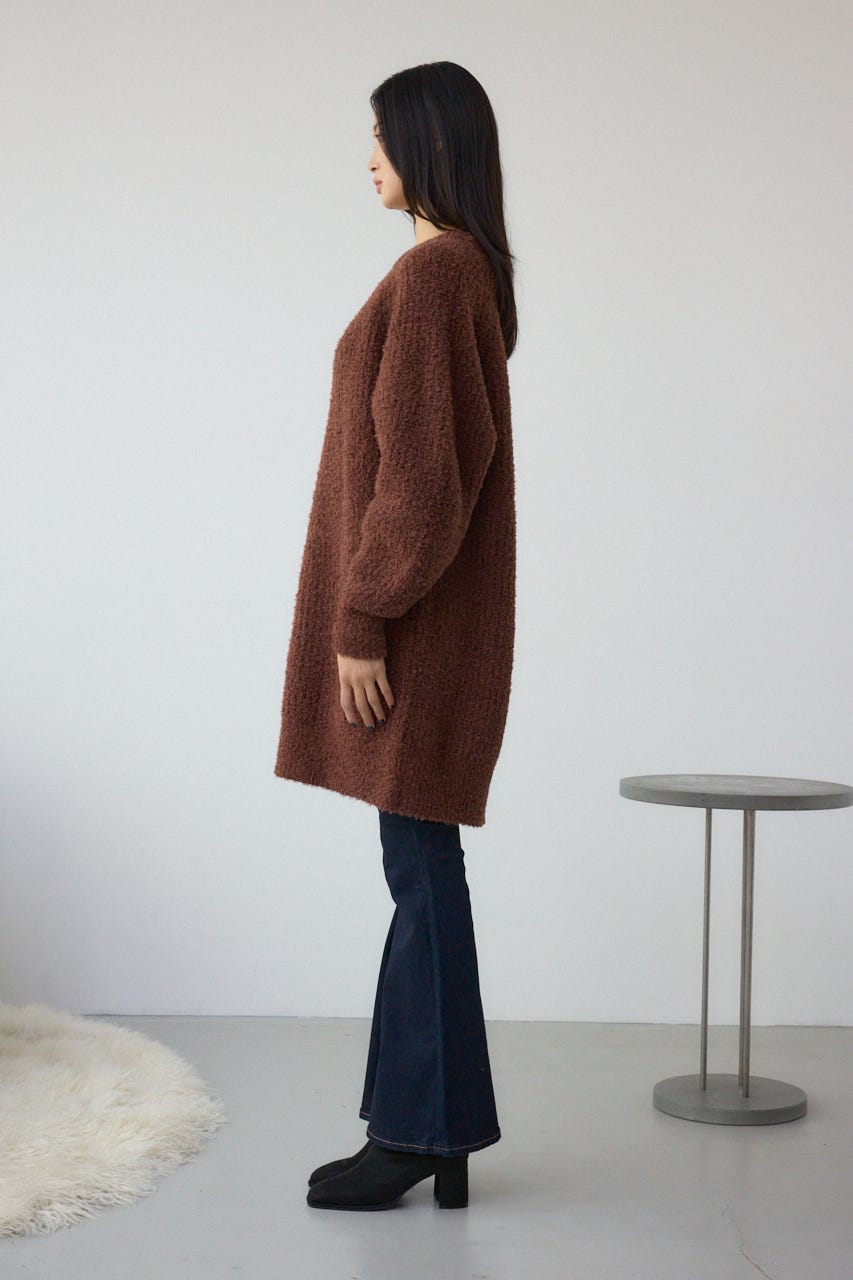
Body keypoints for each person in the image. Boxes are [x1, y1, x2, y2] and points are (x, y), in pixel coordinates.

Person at [273, 60, 518, 1211]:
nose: (366, 157)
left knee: (420, 876)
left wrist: (362, 616)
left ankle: (420, 1131)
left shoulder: (431, 277)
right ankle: (428, 1127)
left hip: (412, 631)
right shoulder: (459, 271)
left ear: (426, 145)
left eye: (379, 136)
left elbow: (421, 483)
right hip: (434, 626)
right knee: (422, 873)